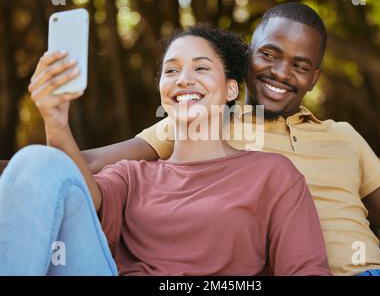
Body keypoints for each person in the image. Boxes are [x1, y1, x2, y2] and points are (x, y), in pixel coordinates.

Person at [53, 3, 380, 276]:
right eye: (268, 55)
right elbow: (84, 166)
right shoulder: (204, 121)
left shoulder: (343, 136)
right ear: (246, 58)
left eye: (300, 65)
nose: (280, 72)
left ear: (315, 78)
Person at [0, 25, 330, 276]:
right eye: (171, 70)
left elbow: (305, 269)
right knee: (37, 160)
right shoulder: (132, 175)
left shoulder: (272, 174)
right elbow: (79, 198)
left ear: (231, 88)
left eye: (201, 68)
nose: (183, 79)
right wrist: (56, 120)